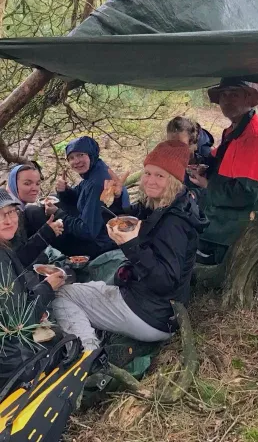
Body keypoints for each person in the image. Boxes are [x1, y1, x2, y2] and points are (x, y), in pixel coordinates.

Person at [52, 140, 205, 350]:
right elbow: (130, 217)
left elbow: (165, 281)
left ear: (174, 180)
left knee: (60, 295)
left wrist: (132, 246)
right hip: (147, 301)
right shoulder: (163, 203)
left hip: (151, 314)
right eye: (148, 173)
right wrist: (115, 198)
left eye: (160, 175)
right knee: (86, 286)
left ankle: (88, 356)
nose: (151, 181)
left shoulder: (174, 222)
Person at [191, 78, 258, 264]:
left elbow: (245, 194)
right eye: (223, 95)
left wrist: (208, 184)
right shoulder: (237, 128)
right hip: (229, 208)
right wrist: (205, 165)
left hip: (239, 223)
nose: (227, 100)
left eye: (234, 95)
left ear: (248, 98)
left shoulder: (253, 138)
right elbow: (222, 155)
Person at [0, 188, 66, 389]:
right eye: (1, 215)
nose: (9, 220)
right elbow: (18, 324)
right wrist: (47, 287)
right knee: (64, 342)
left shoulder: (4, 247)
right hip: (14, 366)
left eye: (11, 212)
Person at [50, 136, 130, 259]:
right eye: (71, 158)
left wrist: (58, 214)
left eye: (80, 155)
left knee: (40, 219)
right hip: (100, 235)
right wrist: (64, 191)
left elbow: (88, 231)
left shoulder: (97, 182)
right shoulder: (94, 171)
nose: (76, 161)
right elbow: (77, 197)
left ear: (91, 155)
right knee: (54, 200)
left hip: (102, 244)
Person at [6, 164, 65, 267]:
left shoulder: (16, 205)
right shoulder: (10, 214)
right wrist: (47, 232)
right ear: (13, 184)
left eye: (37, 183)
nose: (35, 189)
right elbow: (18, 260)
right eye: (27, 183)